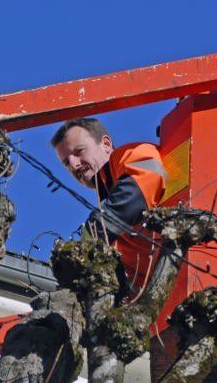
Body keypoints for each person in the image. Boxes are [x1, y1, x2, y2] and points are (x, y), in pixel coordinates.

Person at [51, 118, 167, 293]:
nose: (74, 165)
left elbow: (143, 184)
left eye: (79, 151)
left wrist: (88, 238)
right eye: (67, 163)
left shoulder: (133, 154)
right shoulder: (107, 203)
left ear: (105, 144)